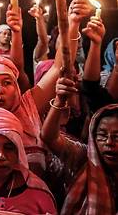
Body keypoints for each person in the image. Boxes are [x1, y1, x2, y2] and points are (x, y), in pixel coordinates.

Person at [41, 74, 118, 214]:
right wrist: (59, 100)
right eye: (102, 135)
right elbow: (49, 137)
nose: (109, 142)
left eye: (117, 137)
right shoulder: (83, 158)